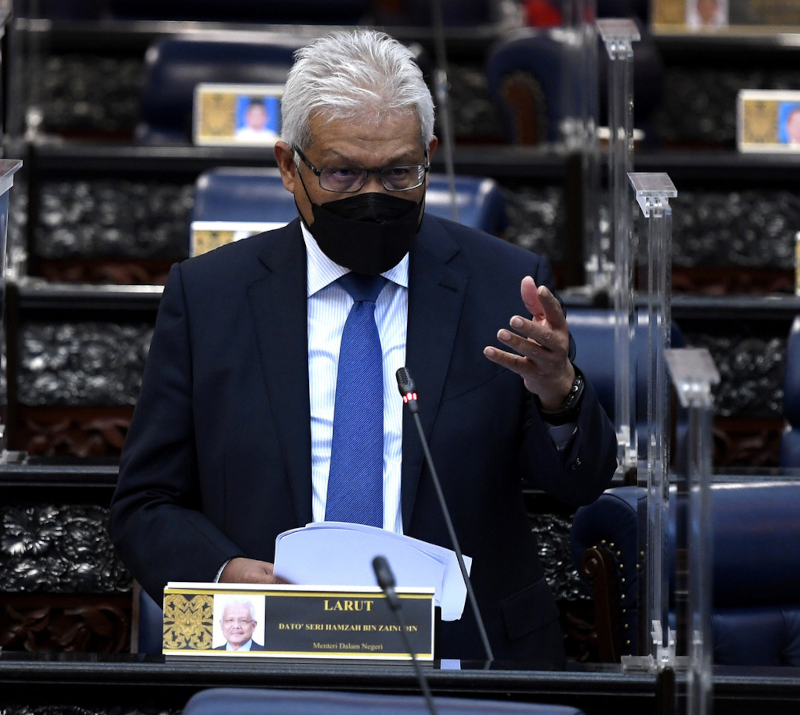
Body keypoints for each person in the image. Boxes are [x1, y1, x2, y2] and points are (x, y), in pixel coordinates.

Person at [110, 29, 616, 667]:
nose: (373, 197)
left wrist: (559, 392)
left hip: (467, 658)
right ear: (290, 167)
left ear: (429, 156)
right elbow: (144, 505)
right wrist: (222, 570)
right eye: (344, 173)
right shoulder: (211, 296)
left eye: (399, 172)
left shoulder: (500, 286)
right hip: (270, 648)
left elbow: (581, 484)